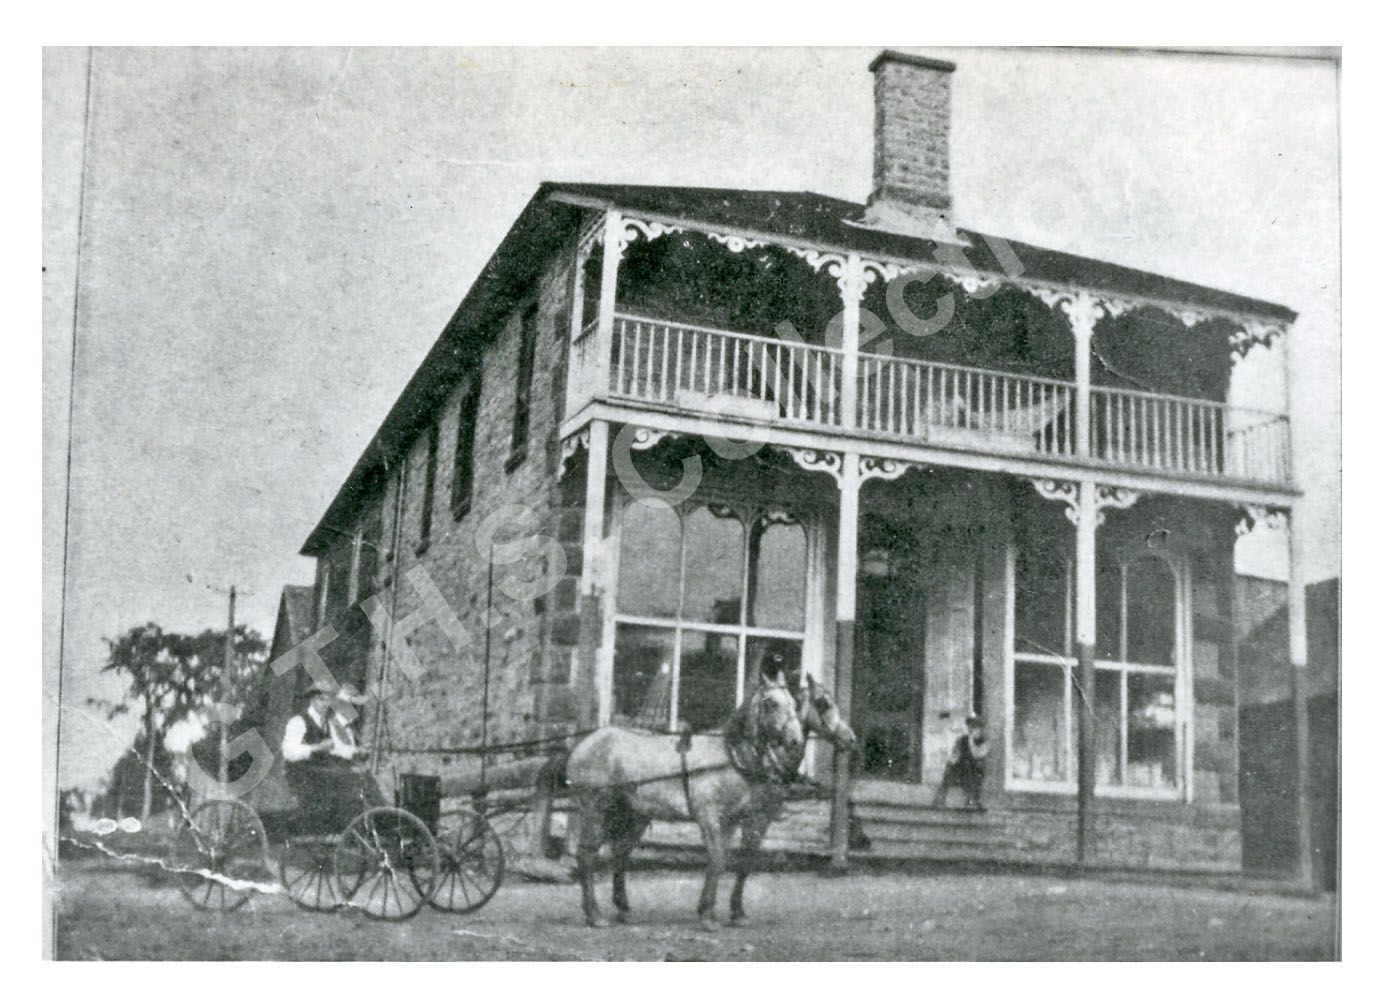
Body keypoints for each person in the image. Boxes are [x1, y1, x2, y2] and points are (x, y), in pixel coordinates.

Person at [282, 681, 384, 830]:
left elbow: (336, 748)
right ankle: (353, 826)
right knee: (350, 778)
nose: (325, 704)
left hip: (321, 772)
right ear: (312, 700)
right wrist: (316, 748)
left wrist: (356, 751)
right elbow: (289, 752)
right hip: (303, 774)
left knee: (364, 775)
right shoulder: (298, 721)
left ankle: (382, 818)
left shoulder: (327, 723)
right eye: (321, 700)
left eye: (328, 700)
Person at [726, 650, 806, 784]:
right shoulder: (762, 695)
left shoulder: (782, 693)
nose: (781, 676)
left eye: (782, 672)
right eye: (776, 673)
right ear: (766, 675)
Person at [931, 714, 990, 810]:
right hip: (962, 768)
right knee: (950, 767)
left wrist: (971, 741)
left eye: (975, 727)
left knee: (973, 770)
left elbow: (976, 754)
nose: (972, 729)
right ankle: (940, 799)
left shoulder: (984, 741)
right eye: (970, 726)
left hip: (975, 769)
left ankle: (973, 800)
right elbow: (956, 754)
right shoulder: (961, 740)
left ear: (980, 729)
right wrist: (951, 760)